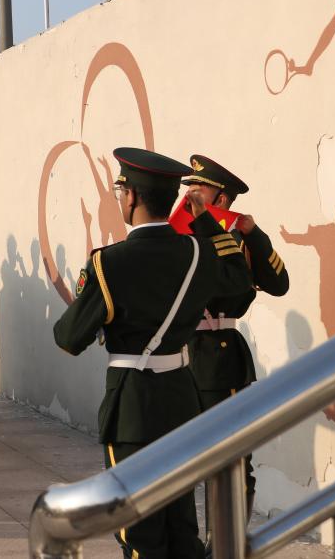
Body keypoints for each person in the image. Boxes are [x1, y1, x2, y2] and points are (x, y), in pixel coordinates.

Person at [53, 148, 253, 558]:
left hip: (133, 405)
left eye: (120, 192)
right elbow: (238, 281)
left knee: (140, 531)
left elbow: (69, 337)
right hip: (181, 397)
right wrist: (205, 221)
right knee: (181, 527)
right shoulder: (198, 253)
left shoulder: (109, 263)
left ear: (131, 197)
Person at [181, 155, 290, 531]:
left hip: (218, 358)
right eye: (188, 189)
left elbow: (278, 284)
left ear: (221, 198)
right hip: (177, 354)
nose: (189, 195)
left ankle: (226, 542)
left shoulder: (236, 238)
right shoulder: (178, 234)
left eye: (199, 189)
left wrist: (254, 234)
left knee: (229, 460)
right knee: (176, 460)